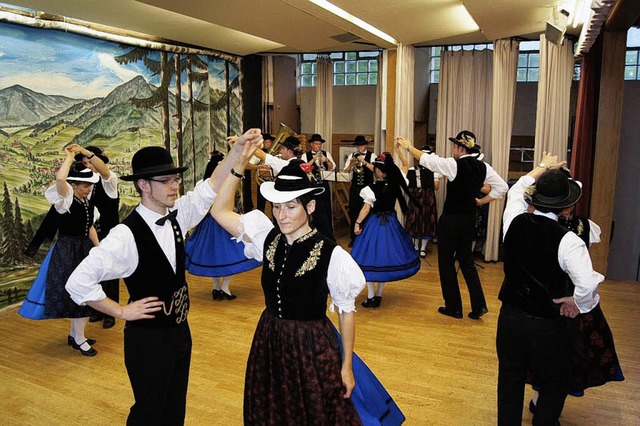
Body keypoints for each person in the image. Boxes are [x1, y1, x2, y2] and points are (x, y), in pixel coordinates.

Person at [65, 129, 263, 425]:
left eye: (176, 179)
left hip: (180, 331)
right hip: (147, 340)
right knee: (150, 410)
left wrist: (238, 152)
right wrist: (120, 310)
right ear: (143, 185)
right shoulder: (124, 236)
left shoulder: (178, 214)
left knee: (174, 407)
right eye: (166, 181)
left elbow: (211, 186)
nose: (175, 186)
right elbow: (77, 283)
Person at [210, 143, 403, 425]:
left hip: (311, 345)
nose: (281, 215)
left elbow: (347, 312)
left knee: (313, 412)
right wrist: (238, 166)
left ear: (310, 206)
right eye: (277, 206)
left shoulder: (331, 254)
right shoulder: (267, 239)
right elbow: (219, 211)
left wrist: (346, 366)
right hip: (270, 339)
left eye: (291, 206)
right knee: (274, 407)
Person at [497, 153, 603, 426]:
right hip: (548, 325)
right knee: (555, 382)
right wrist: (578, 302)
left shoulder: (514, 220)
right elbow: (588, 282)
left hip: (509, 319)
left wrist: (543, 166)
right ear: (566, 209)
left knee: (510, 380)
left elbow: (517, 189)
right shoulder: (568, 240)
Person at [527, 169, 624, 412]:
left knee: (548, 352)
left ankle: (543, 401)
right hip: (569, 298)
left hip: (548, 297)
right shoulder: (585, 226)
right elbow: (586, 278)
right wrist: (581, 302)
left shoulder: (528, 224)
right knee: (565, 353)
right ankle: (547, 404)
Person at [396, 131, 508, 319]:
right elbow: (502, 188)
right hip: (469, 220)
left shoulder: (453, 165)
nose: (452, 149)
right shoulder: (484, 167)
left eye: (454, 146)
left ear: (460, 148)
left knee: (446, 263)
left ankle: (454, 307)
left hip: (452, 220)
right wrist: (481, 202)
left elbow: (428, 160)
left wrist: (408, 146)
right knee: (467, 262)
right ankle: (479, 305)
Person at [19, 144, 100, 356]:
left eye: (90, 185)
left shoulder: (87, 203)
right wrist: (69, 156)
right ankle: (79, 338)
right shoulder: (66, 199)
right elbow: (60, 180)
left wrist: (99, 248)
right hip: (67, 250)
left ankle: (76, 335)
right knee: (78, 293)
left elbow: (89, 225)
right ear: (74, 185)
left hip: (84, 249)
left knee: (82, 292)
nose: (88, 189)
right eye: (84, 185)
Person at [185, 150, 261, 301]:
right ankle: (224, 287)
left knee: (215, 255)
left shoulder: (204, 185)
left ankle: (216, 287)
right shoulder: (224, 184)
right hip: (223, 223)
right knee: (228, 254)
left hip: (208, 224)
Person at [350, 152, 420, 308]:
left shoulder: (371, 189)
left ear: (378, 171)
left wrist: (357, 222)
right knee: (384, 259)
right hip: (391, 224)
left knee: (368, 259)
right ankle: (379, 295)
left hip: (375, 225)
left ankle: (370, 297)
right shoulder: (396, 184)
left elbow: (366, 209)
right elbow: (406, 166)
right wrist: (401, 152)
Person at [73, 146, 120, 330]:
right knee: (96, 274)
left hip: (109, 235)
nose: (88, 166)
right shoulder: (85, 187)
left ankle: (111, 312)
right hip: (92, 236)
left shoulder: (109, 181)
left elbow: (104, 171)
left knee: (110, 275)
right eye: (84, 163)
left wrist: (87, 153)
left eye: (90, 162)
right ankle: (98, 309)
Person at [395, 142, 440, 258]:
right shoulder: (412, 169)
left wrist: (430, 180)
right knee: (414, 220)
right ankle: (415, 245)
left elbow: (436, 186)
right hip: (415, 196)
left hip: (428, 197)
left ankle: (423, 248)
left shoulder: (434, 170)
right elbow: (406, 183)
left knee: (426, 221)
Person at [302, 133, 336, 240]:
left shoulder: (326, 154)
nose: (318, 146)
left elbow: (332, 167)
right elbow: (304, 168)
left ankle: (327, 234)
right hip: (312, 186)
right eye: (316, 144)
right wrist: (314, 159)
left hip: (324, 185)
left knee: (325, 209)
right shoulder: (305, 156)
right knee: (313, 210)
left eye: (320, 144)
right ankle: (314, 233)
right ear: (311, 145)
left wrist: (327, 160)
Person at [344, 135, 376, 247]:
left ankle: (366, 238)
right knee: (354, 212)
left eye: (361, 145)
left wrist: (364, 162)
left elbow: (375, 170)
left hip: (367, 187)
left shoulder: (372, 155)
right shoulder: (352, 156)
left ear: (366, 146)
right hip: (355, 188)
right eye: (358, 146)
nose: (359, 148)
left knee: (367, 212)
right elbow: (346, 172)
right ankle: (354, 238)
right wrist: (351, 163)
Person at [249, 133, 275, 212]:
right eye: (266, 142)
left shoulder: (275, 154)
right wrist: (259, 167)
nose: (267, 144)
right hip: (261, 182)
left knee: (274, 204)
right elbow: (250, 163)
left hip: (273, 182)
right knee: (261, 205)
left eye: (269, 142)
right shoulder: (259, 154)